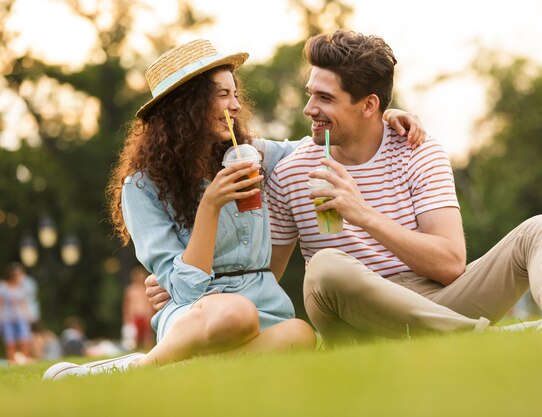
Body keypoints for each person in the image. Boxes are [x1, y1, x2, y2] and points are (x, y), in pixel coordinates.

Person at [43, 38, 422, 379]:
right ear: (188, 104)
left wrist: (382, 117)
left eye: (235, 93)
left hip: (263, 302)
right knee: (234, 312)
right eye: (222, 95)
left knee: (300, 334)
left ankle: (187, 372)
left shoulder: (251, 155)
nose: (235, 104)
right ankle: (141, 369)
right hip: (199, 311)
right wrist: (210, 205)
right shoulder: (142, 187)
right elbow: (184, 289)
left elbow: (320, 141)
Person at [264, 29, 542, 346]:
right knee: (325, 267)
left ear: (369, 105)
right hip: (358, 317)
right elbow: (268, 280)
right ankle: (490, 340)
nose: (309, 108)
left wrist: (363, 215)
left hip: (438, 301)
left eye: (325, 98)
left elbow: (451, 265)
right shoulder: (293, 171)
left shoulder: (416, 150)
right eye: (311, 94)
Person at [0, 263, 33, 363]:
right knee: (10, 340)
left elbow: (24, 303)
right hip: (7, 317)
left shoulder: (21, 288)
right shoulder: (3, 287)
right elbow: (1, 303)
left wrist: (28, 315)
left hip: (20, 316)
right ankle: (12, 360)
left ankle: (26, 358)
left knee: (24, 337)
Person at [122, 265, 155, 350]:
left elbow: (150, 303)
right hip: (135, 315)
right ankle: (135, 352)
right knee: (134, 337)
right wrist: (127, 317)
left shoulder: (146, 289)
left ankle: (148, 351)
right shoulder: (130, 290)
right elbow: (127, 305)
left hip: (145, 314)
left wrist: (151, 314)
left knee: (147, 336)